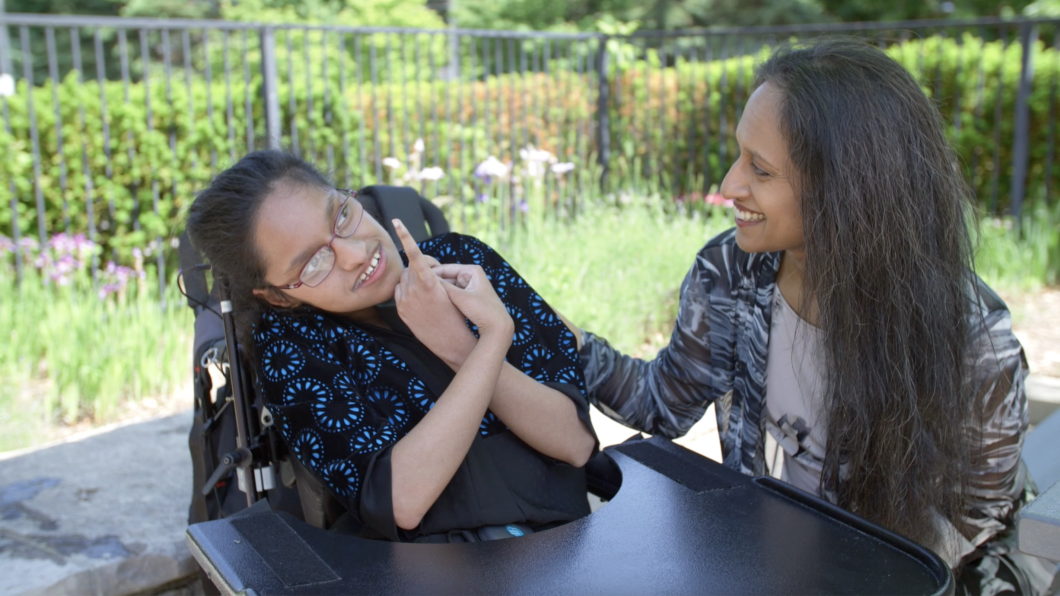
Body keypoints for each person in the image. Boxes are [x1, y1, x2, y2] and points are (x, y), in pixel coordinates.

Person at [577, 39, 1057, 594]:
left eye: (759, 169)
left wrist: (828, 565)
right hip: (782, 557)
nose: (730, 186)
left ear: (847, 188)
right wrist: (556, 336)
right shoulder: (731, 271)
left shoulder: (970, 339)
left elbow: (974, 517)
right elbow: (662, 404)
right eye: (740, 157)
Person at [185, 150, 596, 542]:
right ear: (279, 296)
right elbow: (403, 500)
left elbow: (574, 444)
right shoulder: (292, 347)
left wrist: (461, 341)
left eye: (341, 215)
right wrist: (479, 343)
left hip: (562, 542)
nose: (353, 254)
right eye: (312, 263)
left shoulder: (466, 263)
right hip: (437, 569)